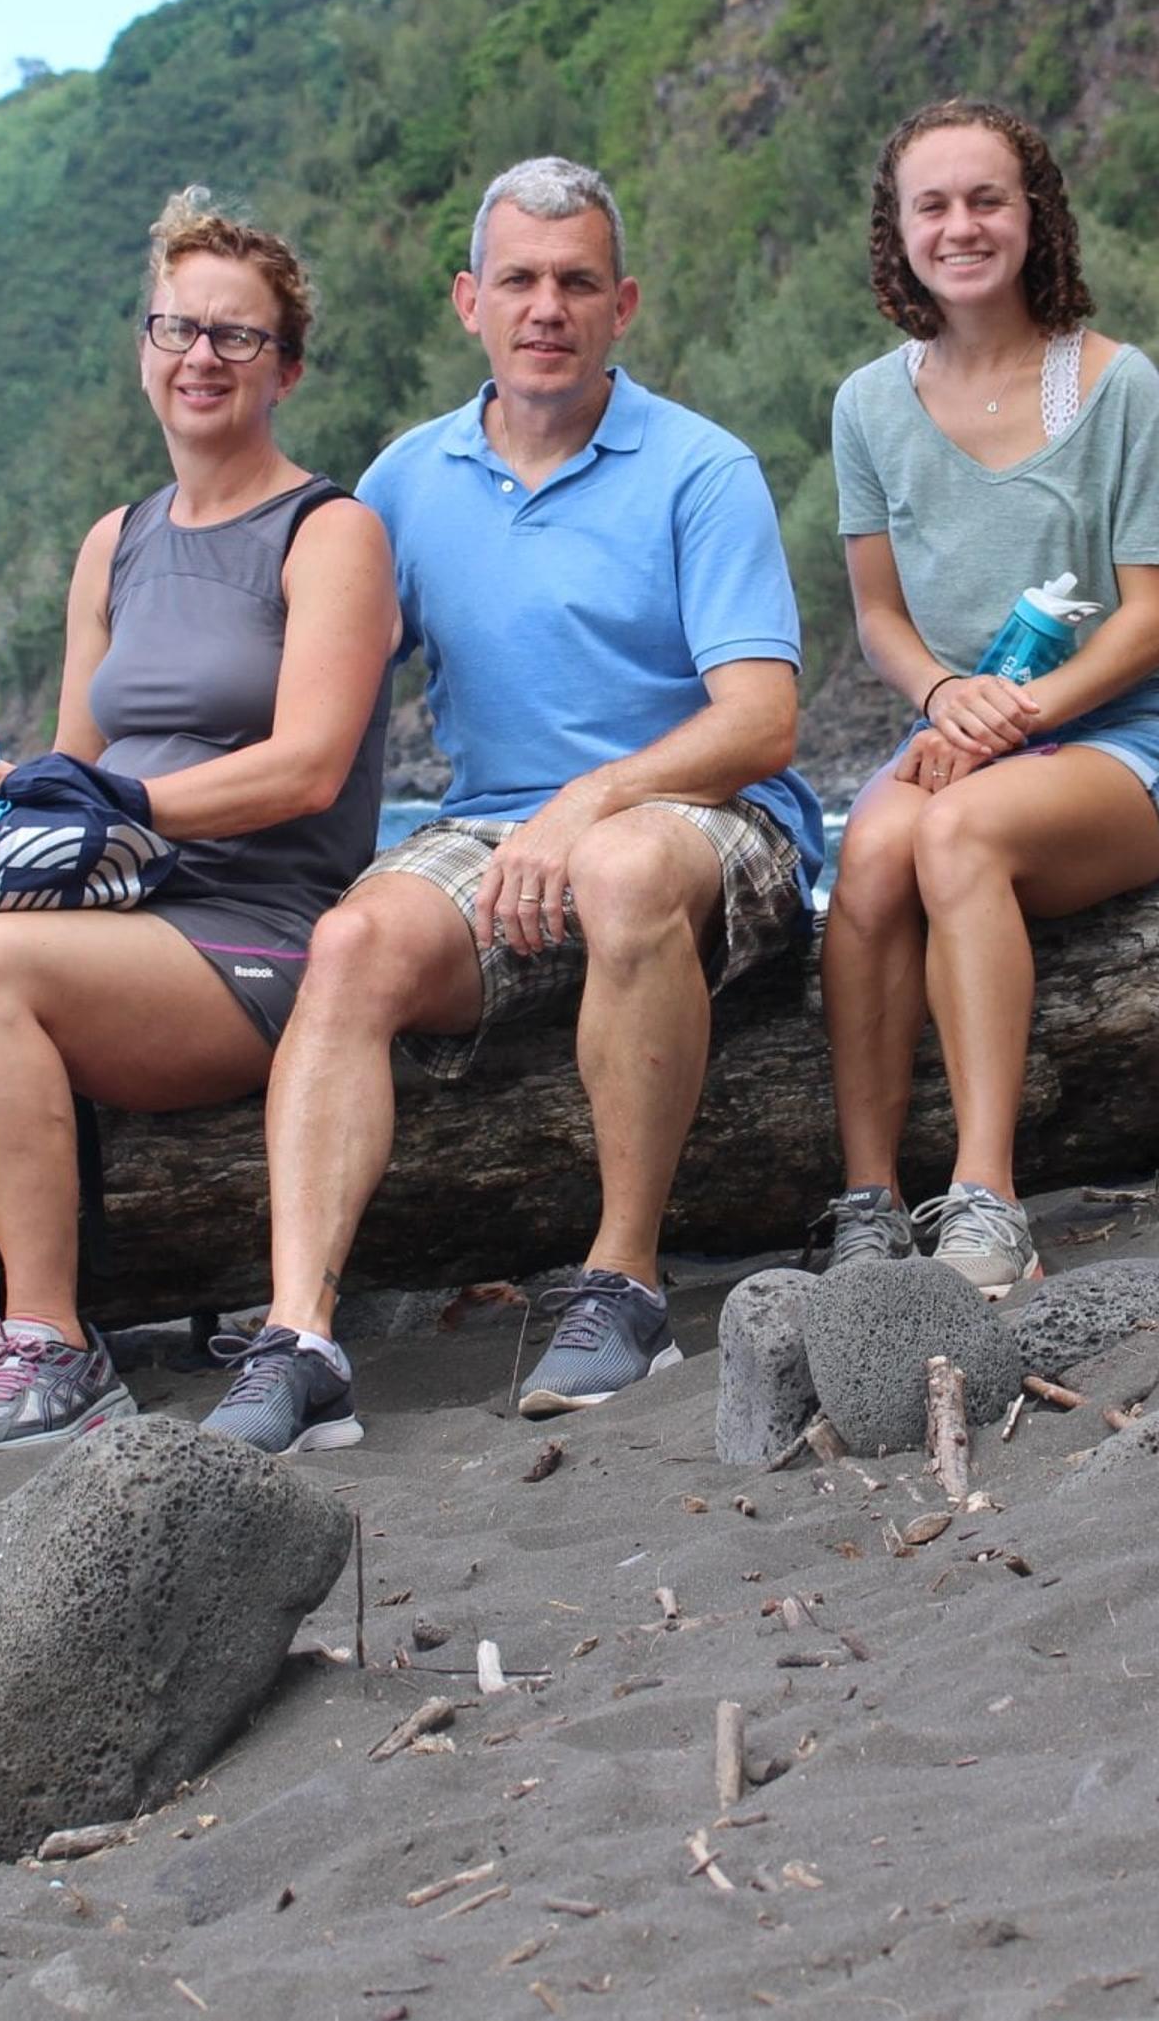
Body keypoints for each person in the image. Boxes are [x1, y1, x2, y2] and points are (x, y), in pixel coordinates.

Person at [200, 158, 824, 1454]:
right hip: (496, 833)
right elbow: (321, 700)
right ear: (468, 301)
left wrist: (592, 803)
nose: (549, 307)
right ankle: (300, 1340)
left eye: (578, 282)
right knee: (354, 942)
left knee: (624, 866)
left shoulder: (700, 470)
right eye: (522, 281)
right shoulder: (403, 484)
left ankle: (626, 1285)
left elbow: (762, 721)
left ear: (624, 304)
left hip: (707, 821)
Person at [0, 193, 399, 1482]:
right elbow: (78, 763)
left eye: (238, 335)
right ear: (144, 346)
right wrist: (13, 801)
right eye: (178, 327)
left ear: (284, 365)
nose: (202, 357)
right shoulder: (114, 543)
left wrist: (122, 807)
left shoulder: (330, 533)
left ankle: (56, 1344)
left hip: (259, 933)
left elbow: (309, 766)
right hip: (117, 924)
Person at [804, 100, 1159, 1292]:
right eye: (932, 204)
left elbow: (1155, 618)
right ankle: (869, 1200)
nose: (961, 225)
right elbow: (879, 617)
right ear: (899, 229)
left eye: (987, 198)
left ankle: (986, 1197)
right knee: (870, 858)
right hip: (954, 727)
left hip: (1118, 743)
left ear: (1034, 217)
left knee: (957, 828)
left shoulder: (1119, 387)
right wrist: (944, 697)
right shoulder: (867, 405)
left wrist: (1017, 716)